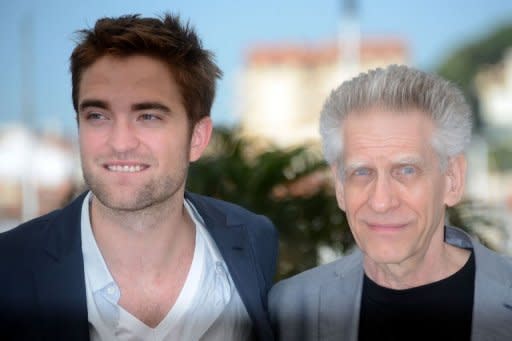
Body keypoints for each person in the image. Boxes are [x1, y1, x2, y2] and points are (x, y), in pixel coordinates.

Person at [0, 14, 278, 341]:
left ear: (198, 138)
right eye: (98, 116)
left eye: (148, 116)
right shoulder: (11, 268)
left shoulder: (253, 239)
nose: (120, 142)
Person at [269, 64, 512, 340]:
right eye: (362, 172)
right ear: (339, 185)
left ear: (452, 179)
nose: (381, 202)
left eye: (407, 170)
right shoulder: (290, 311)